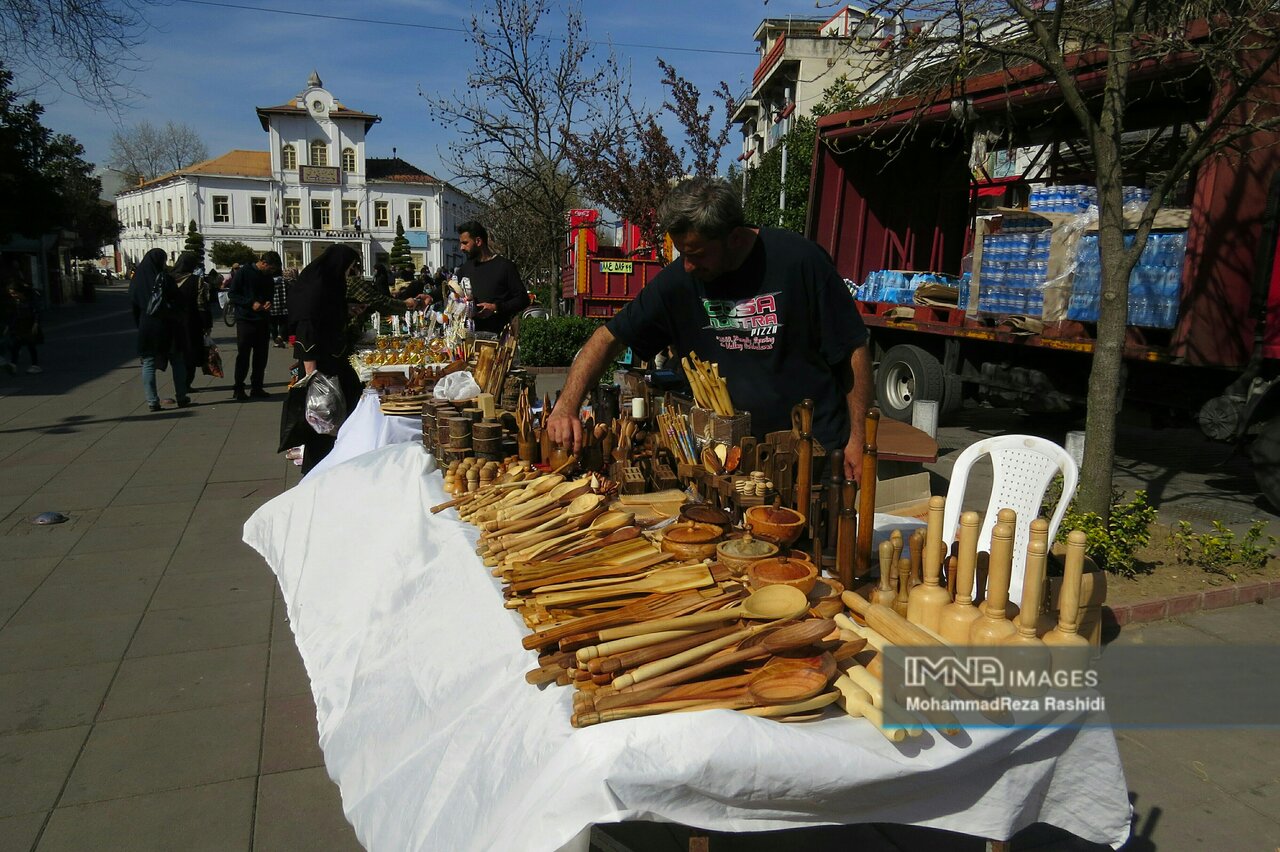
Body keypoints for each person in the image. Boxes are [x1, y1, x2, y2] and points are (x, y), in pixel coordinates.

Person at [546, 177, 873, 482]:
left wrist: (856, 441)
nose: (687, 265)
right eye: (682, 253)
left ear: (733, 237)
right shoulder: (680, 281)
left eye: (697, 254)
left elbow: (852, 351)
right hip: (726, 462)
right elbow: (608, 338)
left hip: (810, 458)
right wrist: (566, 406)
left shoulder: (800, 262)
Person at [288, 246, 420, 474]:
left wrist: (348, 310)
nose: (350, 273)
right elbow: (307, 327)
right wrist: (312, 377)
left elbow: (328, 315)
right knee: (324, 418)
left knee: (339, 416)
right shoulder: (316, 288)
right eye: (349, 268)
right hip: (321, 366)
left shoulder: (329, 284)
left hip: (335, 359)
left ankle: (338, 463)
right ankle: (318, 469)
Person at [129, 248, 191, 411]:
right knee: (177, 361)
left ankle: (152, 401)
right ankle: (182, 397)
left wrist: (140, 324)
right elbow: (179, 301)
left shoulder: (137, 281)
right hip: (169, 326)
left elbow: (134, 307)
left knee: (148, 363)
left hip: (147, 326)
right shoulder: (164, 279)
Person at [456, 220, 529, 335]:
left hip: (498, 341)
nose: (461, 248)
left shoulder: (505, 266)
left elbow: (523, 299)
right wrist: (430, 297)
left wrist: (496, 307)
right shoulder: (466, 268)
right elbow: (451, 287)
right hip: (469, 340)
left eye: (465, 243)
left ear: (478, 241)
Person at [227, 250, 282, 401]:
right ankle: (239, 388)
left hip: (263, 320)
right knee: (243, 355)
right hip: (246, 320)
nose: (271, 272)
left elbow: (270, 294)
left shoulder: (268, 278)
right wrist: (251, 303)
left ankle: (257, 387)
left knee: (261, 356)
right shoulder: (244, 272)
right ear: (263, 263)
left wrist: (268, 302)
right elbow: (233, 294)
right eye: (270, 269)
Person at [171, 252, 211, 391]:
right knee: (191, 353)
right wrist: (206, 324)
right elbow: (201, 304)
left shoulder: (168, 279)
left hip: (171, 322)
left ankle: (179, 384)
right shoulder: (196, 280)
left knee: (176, 356)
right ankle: (186, 384)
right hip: (191, 322)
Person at [5, 280, 41, 373]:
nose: (13, 295)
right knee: (16, 345)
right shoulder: (15, 302)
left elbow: (36, 312)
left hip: (29, 324)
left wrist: (36, 324)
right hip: (19, 326)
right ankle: (13, 364)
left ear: (20, 291)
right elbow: (13, 315)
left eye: (14, 293)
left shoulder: (30, 299)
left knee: (31, 345)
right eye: (11, 293)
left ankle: (35, 365)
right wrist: (9, 326)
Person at [270, 268, 292, 347]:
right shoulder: (284, 281)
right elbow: (288, 293)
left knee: (273, 325)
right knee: (283, 323)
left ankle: (276, 340)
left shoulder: (268, 281)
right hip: (283, 306)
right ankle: (280, 336)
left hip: (271, 307)